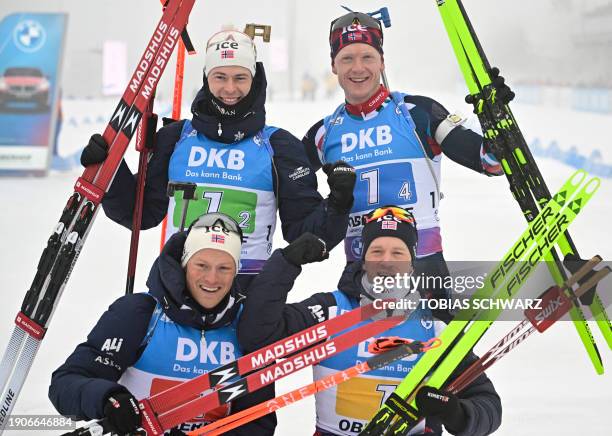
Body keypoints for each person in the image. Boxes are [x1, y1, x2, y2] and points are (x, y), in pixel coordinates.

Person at [80, 29, 355, 286]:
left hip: (246, 293)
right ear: (206, 78)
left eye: (240, 78)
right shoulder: (175, 138)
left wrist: (339, 203)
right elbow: (140, 214)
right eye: (220, 77)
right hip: (177, 288)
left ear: (255, 79)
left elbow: (305, 232)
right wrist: (110, 170)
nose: (230, 89)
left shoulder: (279, 147)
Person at [301, 11, 512, 320]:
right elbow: (282, 188)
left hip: (424, 270)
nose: (357, 68)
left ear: (382, 62)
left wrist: (496, 119)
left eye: (367, 57)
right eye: (347, 59)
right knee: (362, 368)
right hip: (360, 275)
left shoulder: (416, 113)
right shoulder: (324, 133)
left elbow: (490, 161)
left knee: (447, 366)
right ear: (333, 65)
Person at [238, 206, 502, 436]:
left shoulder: (435, 324)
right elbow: (258, 334)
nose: (386, 261)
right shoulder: (331, 309)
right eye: (377, 251)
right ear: (364, 259)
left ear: (412, 263)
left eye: (397, 252)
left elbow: (487, 404)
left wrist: (457, 413)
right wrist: (286, 263)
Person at [48, 213, 279, 435]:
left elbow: (258, 422)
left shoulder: (249, 326)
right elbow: (65, 383)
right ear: (185, 264)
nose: (211, 279)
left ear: (236, 271)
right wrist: (108, 398)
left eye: (224, 268)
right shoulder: (140, 313)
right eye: (201, 265)